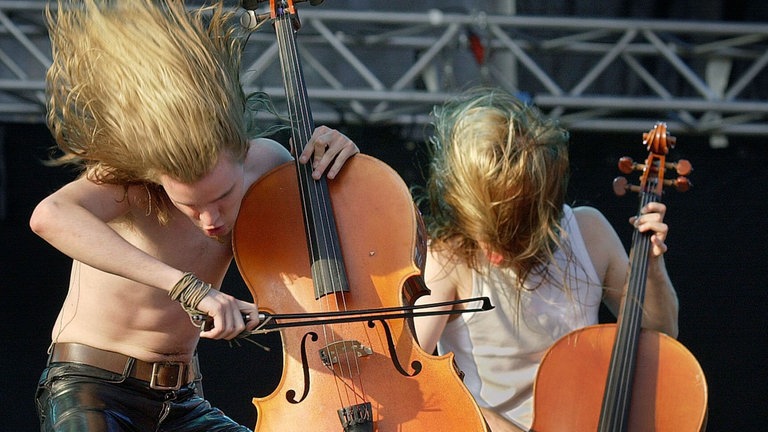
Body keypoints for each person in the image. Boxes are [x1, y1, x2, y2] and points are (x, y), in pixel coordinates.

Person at [30, 1, 358, 431]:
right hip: (93, 389)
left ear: (243, 154)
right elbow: (49, 215)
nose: (209, 220)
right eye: (188, 205)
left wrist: (345, 167)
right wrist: (188, 288)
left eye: (222, 197)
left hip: (184, 400)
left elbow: (367, 246)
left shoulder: (269, 164)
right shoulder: (130, 180)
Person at [413, 88, 679, 432]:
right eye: (490, 233)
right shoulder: (449, 258)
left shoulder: (587, 232)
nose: (495, 252)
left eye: (514, 234)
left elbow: (661, 334)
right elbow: (411, 377)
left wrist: (653, 269)